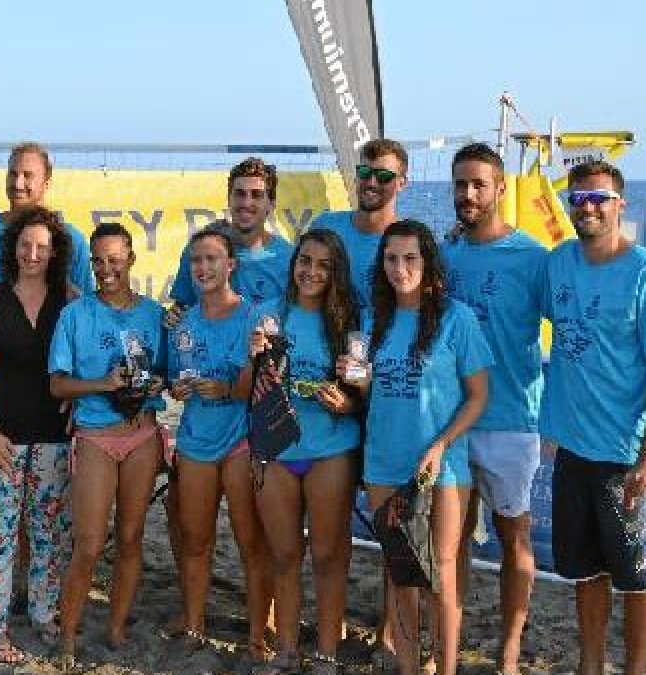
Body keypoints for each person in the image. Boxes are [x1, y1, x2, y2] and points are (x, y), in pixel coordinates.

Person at [541, 161, 646, 675]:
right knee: (585, 570)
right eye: (577, 199)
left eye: (598, 198)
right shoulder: (557, 264)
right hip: (572, 450)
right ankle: (591, 664)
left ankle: (636, 669)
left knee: (640, 574)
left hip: (626, 455)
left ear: (620, 203)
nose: (588, 208)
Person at [342, 219, 492, 675]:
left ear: (427, 263)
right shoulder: (371, 321)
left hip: (440, 465)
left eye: (410, 258)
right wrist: (358, 382)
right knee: (401, 572)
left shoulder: (456, 318)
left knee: (442, 574)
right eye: (391, 258)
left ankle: (444, 667)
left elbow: (479, 395)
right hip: (384, 460)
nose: (400, 268)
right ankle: (408, 666)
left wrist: (441, 445)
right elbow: (368, 393)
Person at [442, 142, 548, 675]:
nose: (468, 193)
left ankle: (508, 651)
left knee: (515, 540)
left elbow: (573, 324)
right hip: (452, 422)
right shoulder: (445, 254)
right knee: (451, 541)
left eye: (479, 184)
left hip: (510, 421)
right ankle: (450, 646)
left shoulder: (532, 258)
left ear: (501, 189)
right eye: (460, 183)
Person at [242, 228, 362, 674]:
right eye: (304, 261)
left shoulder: (351, 322)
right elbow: (244, 389)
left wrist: (347, 402)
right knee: (284, 554)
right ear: (292, 266)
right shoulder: (269, 316)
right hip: (277, 449)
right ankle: (288, 650)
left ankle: (328, 650)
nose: (312, 272)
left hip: (332, 448)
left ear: (336, 273)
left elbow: (363, 391)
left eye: (323, 265)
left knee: (329, 556)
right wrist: (254, 360)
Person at [0, 205, 76, 663]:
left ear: (54, 252)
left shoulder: (69, 298)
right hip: (1, 438)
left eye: (42, 247)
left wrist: (79, 406)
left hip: (53, 438)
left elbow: (80, 367)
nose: (32, 253)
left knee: (49, 533)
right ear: (12, 248)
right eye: (25, 244)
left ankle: (45, 616)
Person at [49, 222, 166, 666]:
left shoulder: (154, 315)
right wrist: (103, 383)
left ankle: (116, 628)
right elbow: (58, 385)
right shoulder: (76, 315)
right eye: (98, 260)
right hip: (96, 436)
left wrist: (154, 382)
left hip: (142, 435)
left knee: (133, 537)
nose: (106, 269)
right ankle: (68, 635)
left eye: (115, 260)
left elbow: (170, 377)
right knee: (90, 542)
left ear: (131, 260)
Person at [165, 229, 271, 661]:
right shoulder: (184, 323)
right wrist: (182, 388)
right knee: (195, 540)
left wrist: (226, 388)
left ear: (231, 265)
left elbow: (259, 386)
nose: (203, 268)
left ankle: (258, 637)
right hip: (195, 441)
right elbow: (174, 384)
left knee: (250, 541)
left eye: (212, 259)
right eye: (196, 261)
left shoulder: (253, 317)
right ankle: (194, 625)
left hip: (241, 439)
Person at [0, 141, 95, 297]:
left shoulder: (72, 239)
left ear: (46, 184)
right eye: (13, 174)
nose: (18, 183)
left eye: (28, 175)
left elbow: (86, 305)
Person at [168, 157, 294, 313]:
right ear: (229, 199)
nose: (246, 203)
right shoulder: (198, 251)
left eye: (256, 195)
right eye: (240, 194)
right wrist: (174, 315)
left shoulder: (290, 259)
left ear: (271, 204)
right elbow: (180, 309)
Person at [309, 139, 410, 308]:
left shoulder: (409, 242)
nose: (371, 182)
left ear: (401, 184)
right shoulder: (324, 226)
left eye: (383, 176)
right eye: (364, 172)